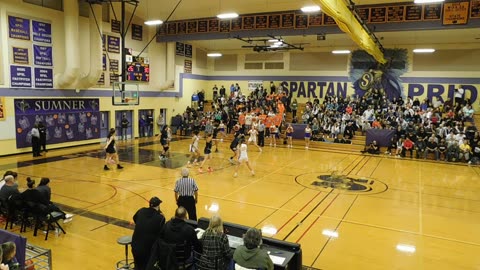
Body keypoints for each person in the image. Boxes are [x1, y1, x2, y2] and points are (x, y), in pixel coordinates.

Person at [131, 197, 165, 270]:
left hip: (135, 245)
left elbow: (135, 218)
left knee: (138, 266)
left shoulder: (141, 210)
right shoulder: (160, 218)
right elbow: (162, 233)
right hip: (148, 250)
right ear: (158, 206)